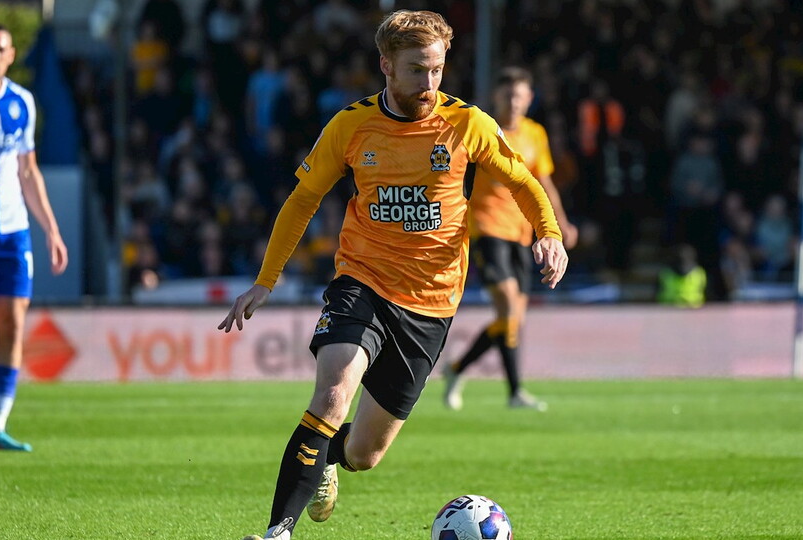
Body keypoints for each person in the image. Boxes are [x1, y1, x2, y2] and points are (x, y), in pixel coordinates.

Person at [218, 11, 568, 540]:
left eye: (437, 70)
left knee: (364, 453)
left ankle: (327, 456)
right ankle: (277, 533)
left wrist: (549, 232)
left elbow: (523, 181)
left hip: (431, 303)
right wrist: (266, 280)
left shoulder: (468, 124)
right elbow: (303, 199)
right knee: (332, 395)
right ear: (385, 65)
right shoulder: (350, 126)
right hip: (362, 280)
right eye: (416, 70)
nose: (429, 83)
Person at [441, 67, 577, 412]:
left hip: (522, 231)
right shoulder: (483, 128)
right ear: (496, 98)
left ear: (529, 99)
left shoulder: (535, 134)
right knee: (506, 303)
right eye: (507, 96)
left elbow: (543, 182)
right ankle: (515, 392)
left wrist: (559, 224)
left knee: (513, 319)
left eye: (519, 96)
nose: (513, 102)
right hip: (486, 227)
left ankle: (459, 369)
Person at [0, 23, 69, 451]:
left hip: (12, 230)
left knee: (12, 323)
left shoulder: (21, 103)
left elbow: (28, 170)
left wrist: (51, 230)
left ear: (11, 55)